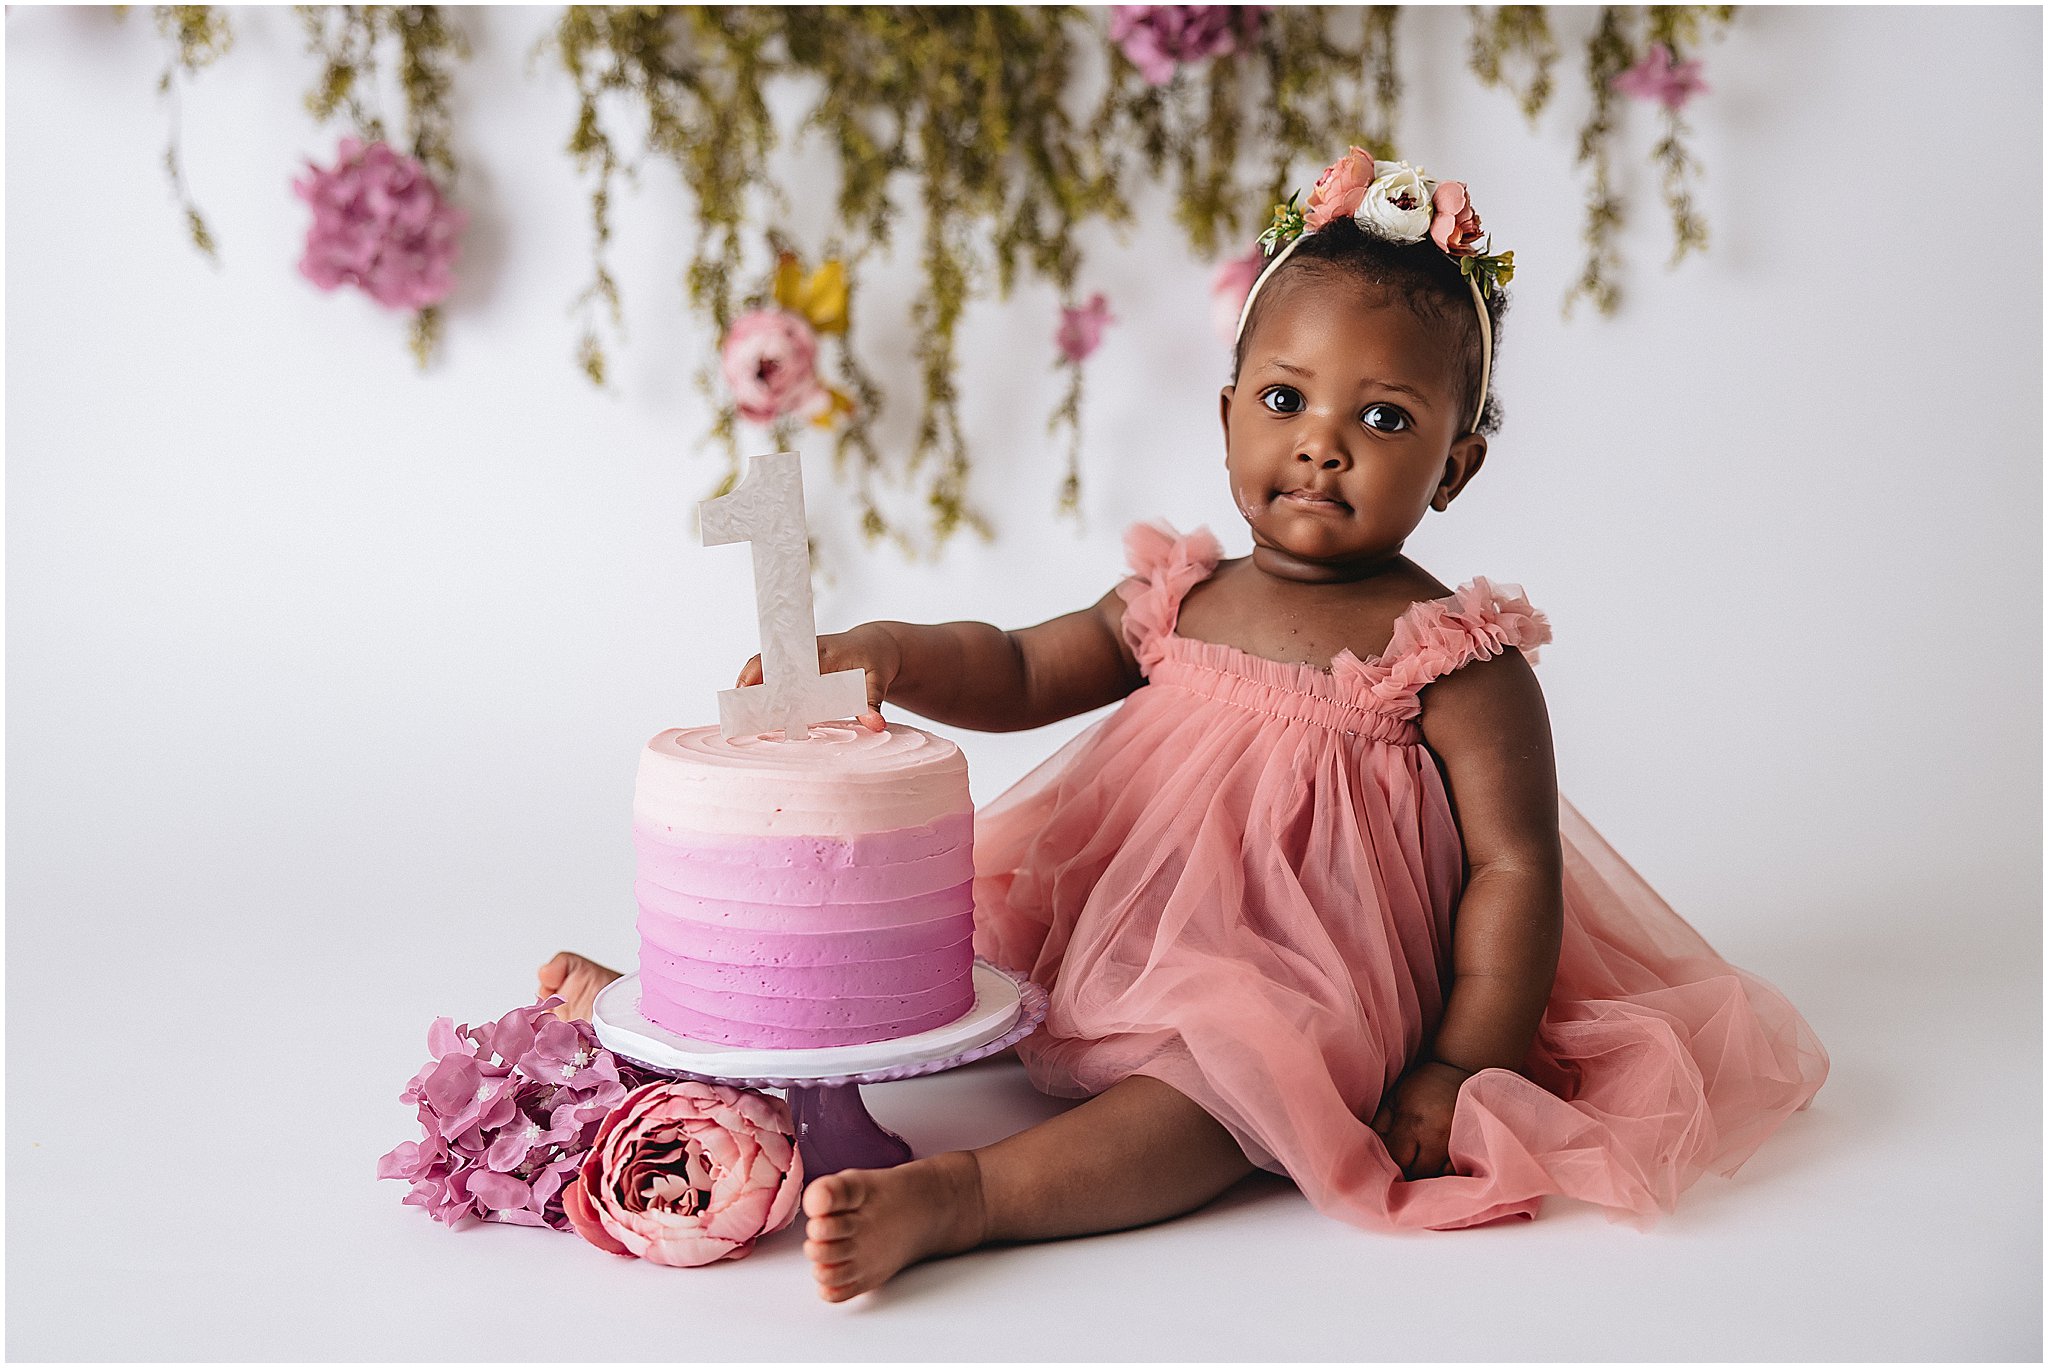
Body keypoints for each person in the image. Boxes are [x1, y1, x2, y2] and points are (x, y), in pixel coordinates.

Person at [540, 147, 1829, 1302]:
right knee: (919, 972)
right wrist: (890, 651)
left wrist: (1460, 1066)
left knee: (1223, 1092)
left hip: (1309, 975)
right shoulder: (1182, 596)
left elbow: (1514, 871)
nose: (1323, 446)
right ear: (1226, 414)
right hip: (1125, 905)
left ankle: (971, 1197)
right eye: (1286, 400)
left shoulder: (1452, 659)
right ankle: (707, 1030)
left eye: (1384, 418)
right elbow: (1019, 667)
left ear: (1455, 464)